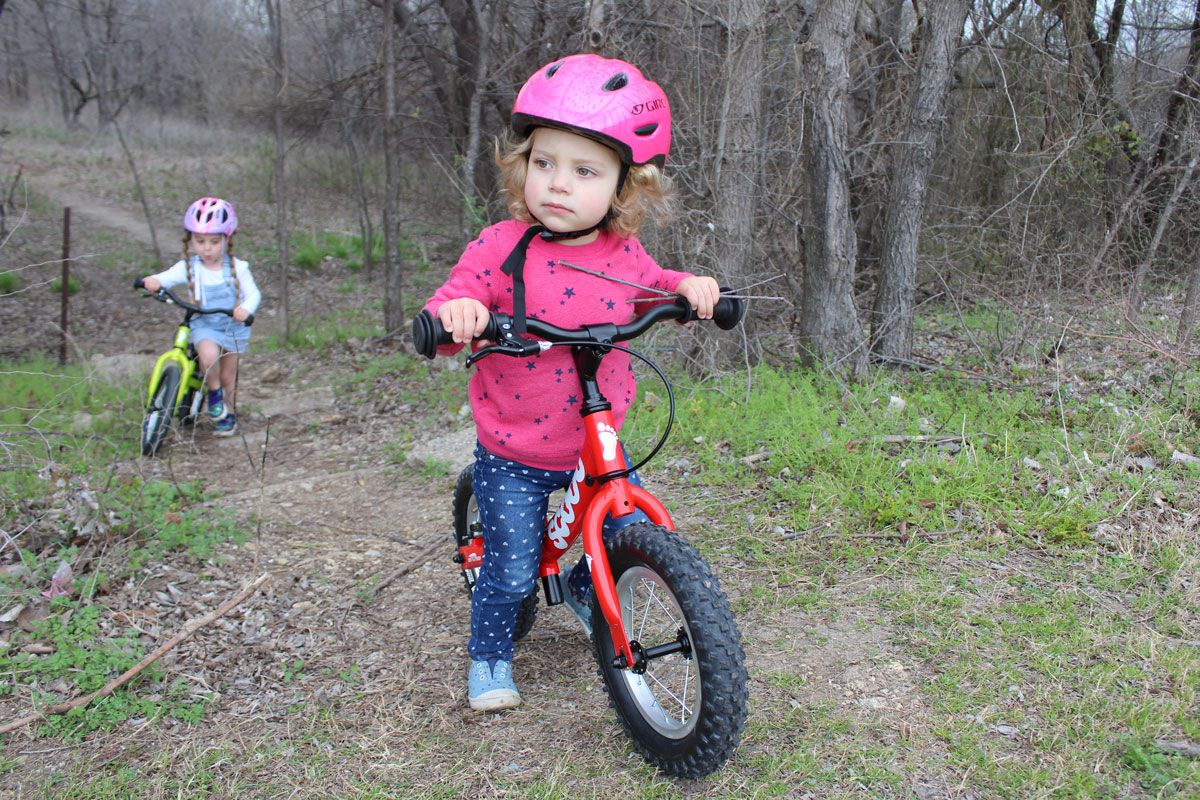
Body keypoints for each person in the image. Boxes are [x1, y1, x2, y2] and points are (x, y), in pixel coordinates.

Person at [423, 54, 723, 712]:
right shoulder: (502, 246)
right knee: (508, 569)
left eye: (584, 170)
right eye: (544, 163)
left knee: (615, 535)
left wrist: (688, 290)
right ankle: (491, 656)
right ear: (522, 167)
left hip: (597, 443)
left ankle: (594, 591)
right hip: (515, 453)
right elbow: (455, 302)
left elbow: (656, 284)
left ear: (623, 187)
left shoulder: (620, 252)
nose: (558, 183)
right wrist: (459, 316)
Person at [141, 197, 261, 437]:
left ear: (227, 239)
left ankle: (229, 412)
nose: (206, 248)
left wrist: (245, 309)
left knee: (229, 377)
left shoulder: (238, 268)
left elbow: (253, 294)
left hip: (232, 327)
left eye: (214, 242)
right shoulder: (190, 267)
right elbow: (166, 277)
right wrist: (153, 281)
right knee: (208, 355)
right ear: (191, 240)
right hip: (204, 324)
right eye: (200, 241)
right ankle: (214, 395)